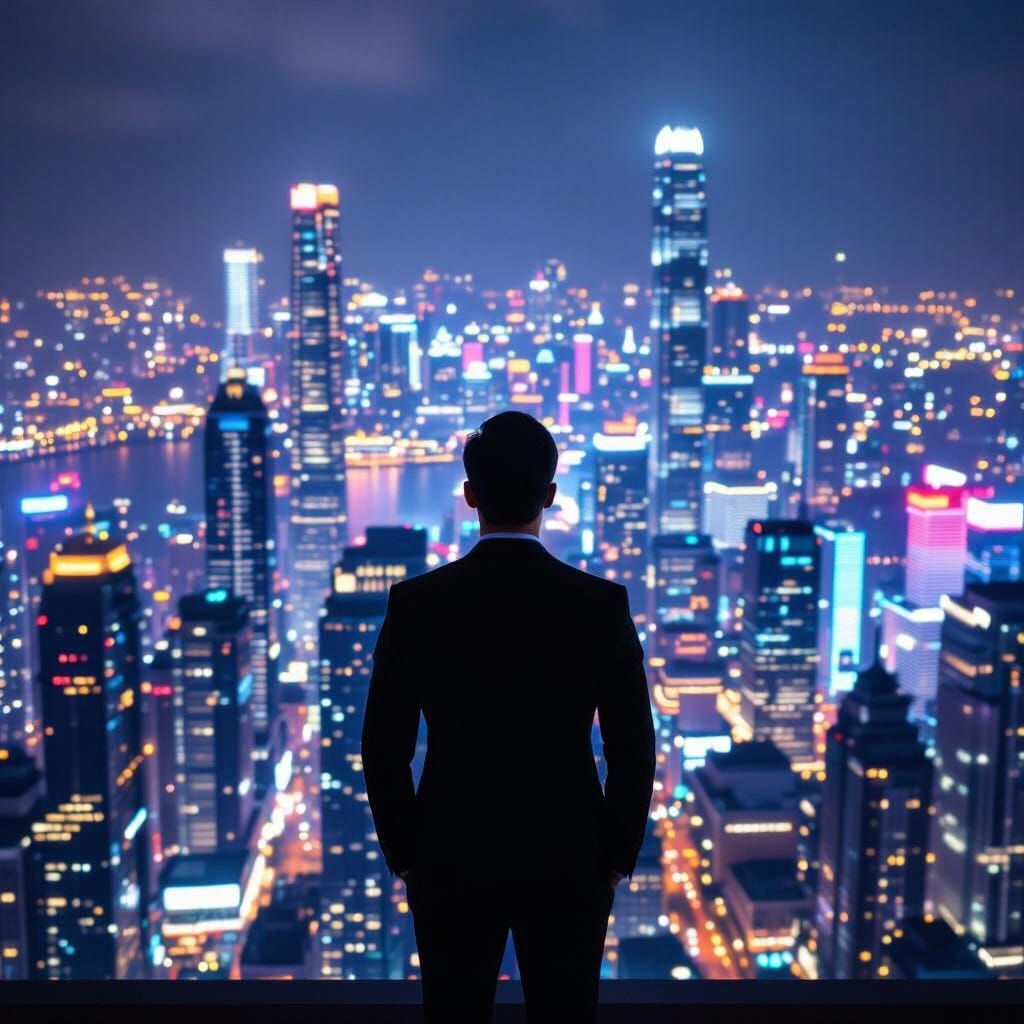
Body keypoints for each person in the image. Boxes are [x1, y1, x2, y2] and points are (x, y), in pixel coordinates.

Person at [362, 410, 656, 1022]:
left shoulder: (417, 606)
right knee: (566, 1021)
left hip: (451, 853)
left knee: (453, 1020)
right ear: (550, 495)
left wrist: (408, 853)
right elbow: (633, 747)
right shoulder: (600, 608)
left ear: (470, 496)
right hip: (570, 856)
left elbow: (383, 746)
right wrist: (614, 858)